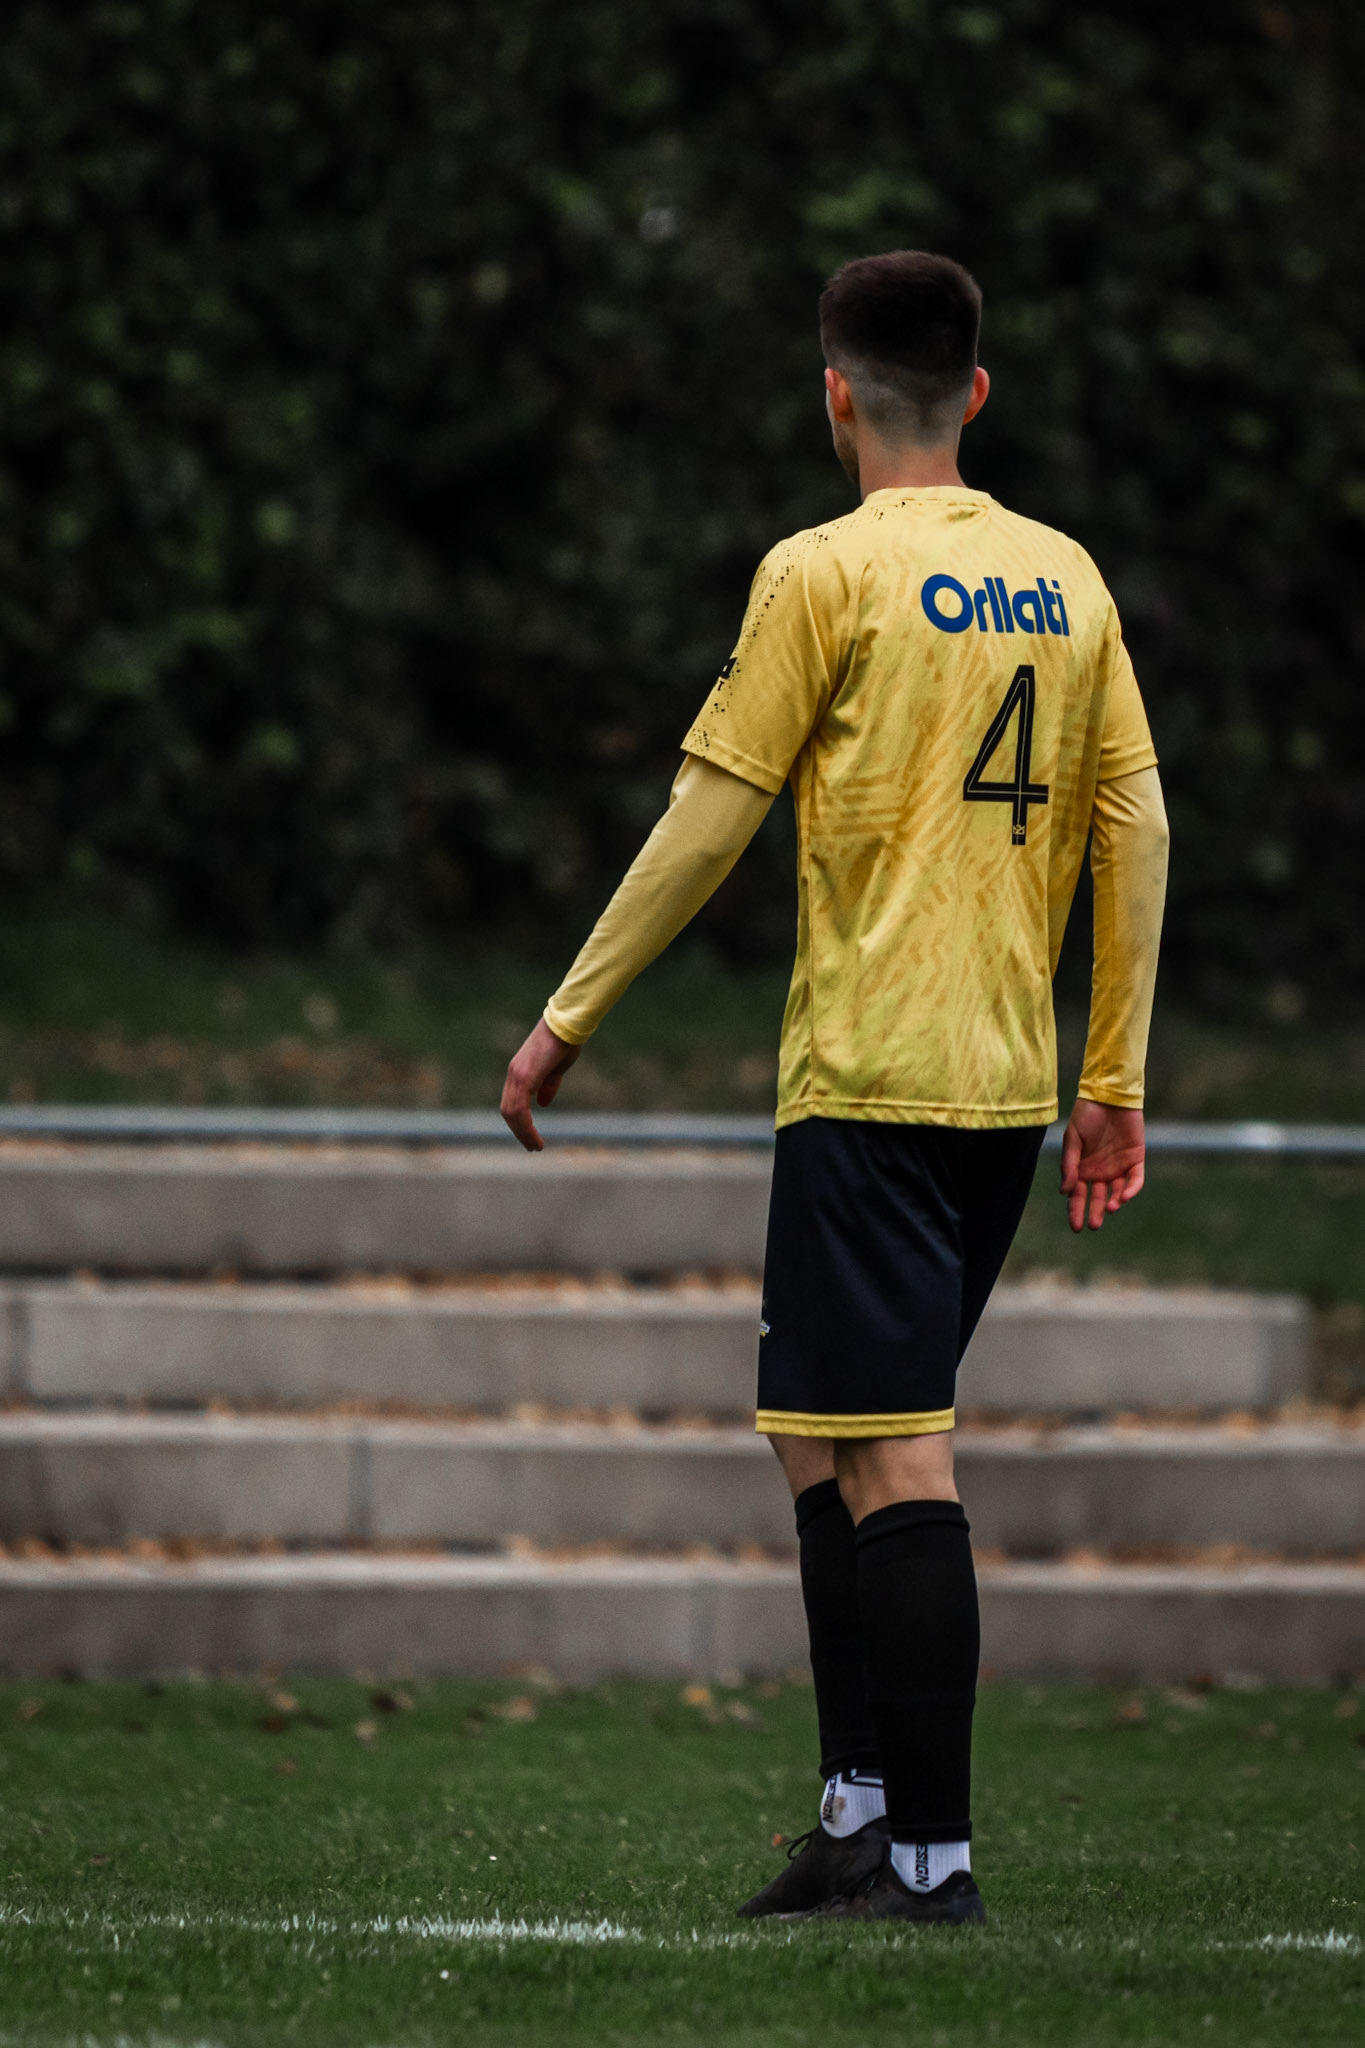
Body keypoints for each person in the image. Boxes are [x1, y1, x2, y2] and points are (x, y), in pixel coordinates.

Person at [500, 251, 1168, 1925]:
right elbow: (1134, 826)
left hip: (870, 1076)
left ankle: (932, 1866)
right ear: (977, 395)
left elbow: (711, 814)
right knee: (818, 1438)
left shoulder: (823, 573)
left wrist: (566, 1019)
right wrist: (1112, 1077)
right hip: (1003, 1090)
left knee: (898, 1456)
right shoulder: (1066, 578)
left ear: (834, 395)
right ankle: (859, 1814)